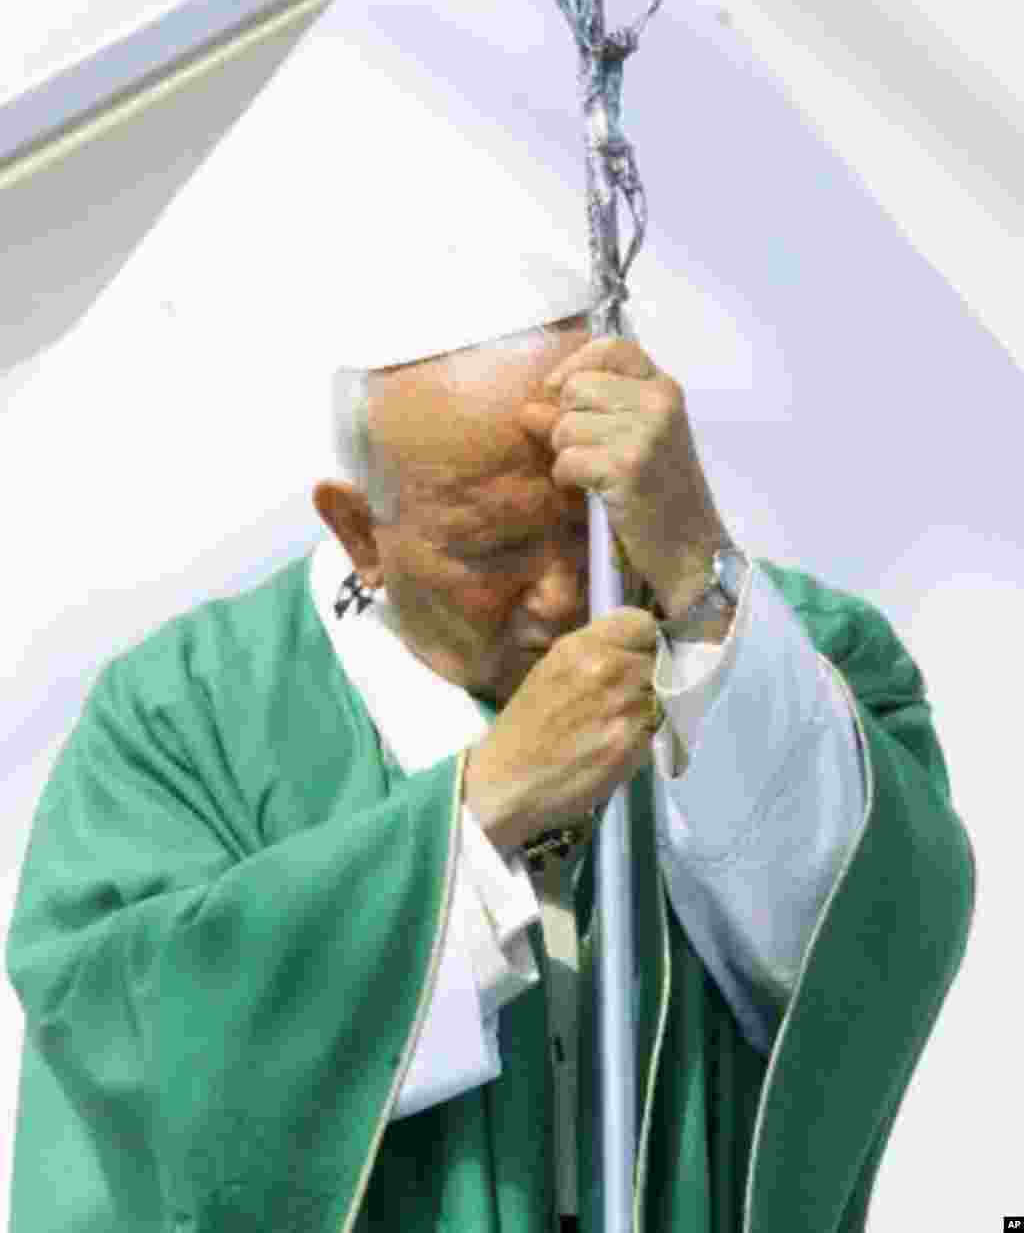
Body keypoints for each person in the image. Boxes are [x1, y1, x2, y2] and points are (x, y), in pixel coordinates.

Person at [5, 298, 974, 1233]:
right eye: (492, 549)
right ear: (357, 530)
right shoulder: (189, 719)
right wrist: (481, 806)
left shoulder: (796, 653)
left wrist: (700, 582)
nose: (557, 594)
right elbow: (123, 1045)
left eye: (587, 522)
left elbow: (860, 952)